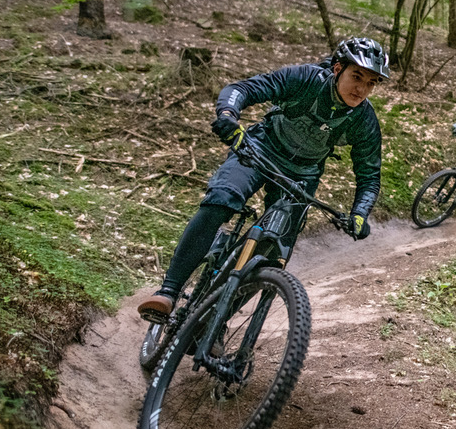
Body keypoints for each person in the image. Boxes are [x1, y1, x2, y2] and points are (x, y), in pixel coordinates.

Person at [138, 36, 389, 322]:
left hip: (303, 174)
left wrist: (359, 213)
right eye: (356, 76)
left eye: (371, 83)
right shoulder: (305, 78)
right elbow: (242, 89)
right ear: (336, 69)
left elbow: (369, 174)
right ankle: (168, 292)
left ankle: (213, 326)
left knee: (273, 253)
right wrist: (228, 115)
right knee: (221, 201)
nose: (362, 89)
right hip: (259, 149)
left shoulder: (364, 120)